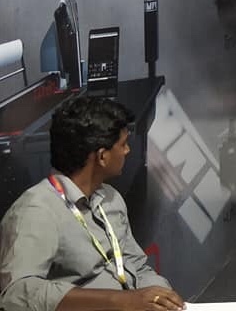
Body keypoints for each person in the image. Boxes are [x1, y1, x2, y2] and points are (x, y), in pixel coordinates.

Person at [0, 95, 186, 311]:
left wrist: (162, 296)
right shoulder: (37, 210)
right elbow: (16, 293)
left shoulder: (111, 199)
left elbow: (135, 265)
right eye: (123, 144)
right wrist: (119, 301)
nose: (127, 151)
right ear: (102, 157)